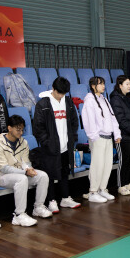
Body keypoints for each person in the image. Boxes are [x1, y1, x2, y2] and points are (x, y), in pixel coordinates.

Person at [33, 77, 81, 212]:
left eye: (63, 93)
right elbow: (38, 127)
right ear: (53, 89)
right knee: (49, 175)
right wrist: (47, 142)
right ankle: (51, 201)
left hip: (66, 145)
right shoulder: (43, 104)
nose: (61, 96)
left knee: (64, 173)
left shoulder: (68, 102)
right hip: (50, 147)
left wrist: (73, 138)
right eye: (59, 92)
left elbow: (74, 121)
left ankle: (65, 198)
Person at [0, 115, 50, 227]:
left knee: (43, 176)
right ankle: (19, 215)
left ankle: (38, 207)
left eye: (22, 130)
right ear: (9, 128)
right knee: (22, 179)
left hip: (20, 173)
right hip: (1, 176)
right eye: (18, 129)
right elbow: (4, 168)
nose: (21, 132)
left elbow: (26, 162)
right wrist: (25, 172)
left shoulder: (23, 142)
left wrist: (29, 169)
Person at [82, 76, 121, 203]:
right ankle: (93, 191)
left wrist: (117, 134)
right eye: (100, 84)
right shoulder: (89, 100)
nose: (103, 86)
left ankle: (102, 189)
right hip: (98, 138)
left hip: (108, 137)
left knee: (107, 165)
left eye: (103, 83)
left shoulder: (104, 99)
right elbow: (88, 120)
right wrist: (94, 137)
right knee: (97, 165)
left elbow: (112, 117)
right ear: (93, 86)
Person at [109, 75, 130, 195]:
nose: (129, 86)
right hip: (122, 135)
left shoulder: (129, 97)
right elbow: (120, 120)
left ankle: (126, 182)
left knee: (129, 160)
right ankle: (121, 185)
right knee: (123, 161)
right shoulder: (115, 99)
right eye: (127, 84)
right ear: (120, 85)